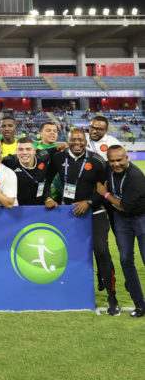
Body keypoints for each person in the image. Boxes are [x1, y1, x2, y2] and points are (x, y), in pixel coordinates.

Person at [42, 129, 118, 315]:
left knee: (101, 251)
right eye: (73, 139)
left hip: (95, 211)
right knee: (65, 254)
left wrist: (89, 202)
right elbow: (45, 180)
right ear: (67, 141)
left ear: (85, 141)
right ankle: (65, 292)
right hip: (69, 213)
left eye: (80, 140)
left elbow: (104, 190)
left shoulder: (97, 161)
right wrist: (48, 198)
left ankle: (112, 297)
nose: (77, 142)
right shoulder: (59, 158)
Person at [98, 145, 145, 318]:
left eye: (119, 160)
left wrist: (105, 194)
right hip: (121, 220)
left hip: (141, 218)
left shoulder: (136, 177)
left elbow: (125, 206)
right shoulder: (106, 171)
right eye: (112, 161)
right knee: (125, 260)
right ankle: (139, 304)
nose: (116, 164)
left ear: (127, 158)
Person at [1, 138, 50, 206]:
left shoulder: (44, 157)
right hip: (18, 208)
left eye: (28, 149)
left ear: (34, 151)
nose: (24, 153)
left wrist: (48, 198)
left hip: (39, 207)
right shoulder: (9, 161)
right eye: (20, 149)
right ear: (16, 151)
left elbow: (56, 149)